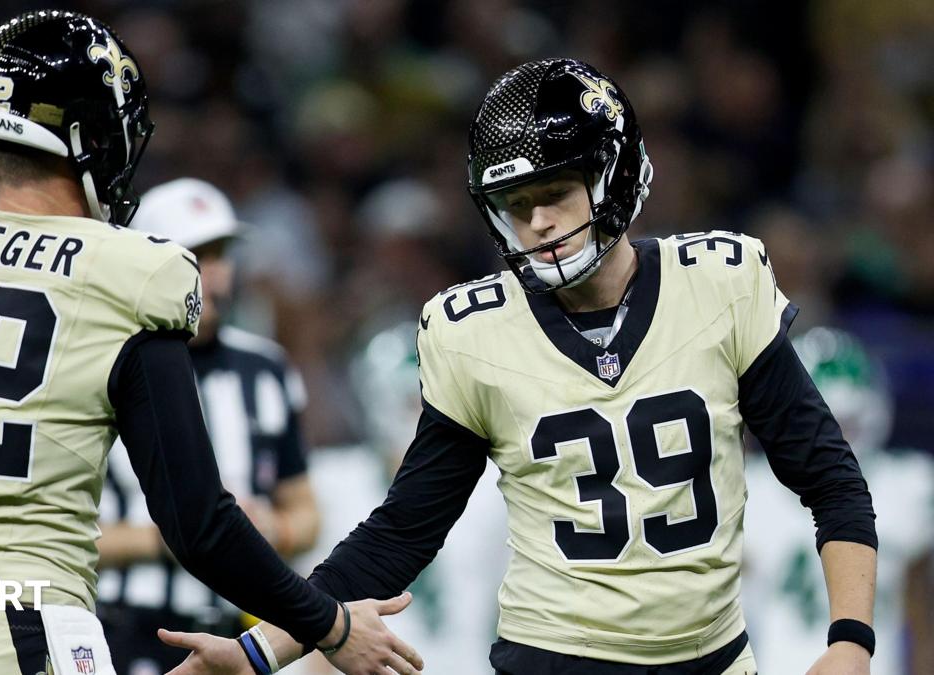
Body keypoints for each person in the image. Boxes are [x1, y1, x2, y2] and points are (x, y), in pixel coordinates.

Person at [159, 58, 879, 675]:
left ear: (615, 176)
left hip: (717, 657)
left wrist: (851, 641)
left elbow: (830, 478)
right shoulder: (474, 332)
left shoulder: (720, 285)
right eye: (516, 204)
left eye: (555, 194)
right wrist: (262, 650)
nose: (536, 223)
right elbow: (401, 532)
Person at [0, 10, 420, 675]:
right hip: (27, 631)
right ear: (92, 139)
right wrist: (330, 624)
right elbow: (197, 521)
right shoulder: (128, 273)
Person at [95, 178, 323, 673]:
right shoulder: (101, 361)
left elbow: (306, 512)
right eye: (196, 256)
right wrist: (181, 535)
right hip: (125, 628)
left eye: (221, 255)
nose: (215, 278)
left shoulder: (265, 368)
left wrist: (271, 530)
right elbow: (60, 531)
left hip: (236, 636)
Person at [743, 327, 932, 675]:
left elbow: (922, 619)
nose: (830, 441)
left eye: (844, 424)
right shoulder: (746, 489)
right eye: (820, 424)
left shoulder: (908, 488)